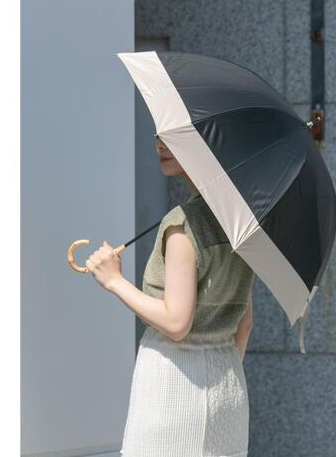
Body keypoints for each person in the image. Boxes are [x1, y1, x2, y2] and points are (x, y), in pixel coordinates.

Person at [85, 136, 255, 456]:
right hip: (228, 387)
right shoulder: (241, 223)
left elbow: (176, 322)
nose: (159, 145)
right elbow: (244, 324)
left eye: (172, 136)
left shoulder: (183, 225)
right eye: (158, 135)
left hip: (174, 386)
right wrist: (217, 367)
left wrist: (114, 281)